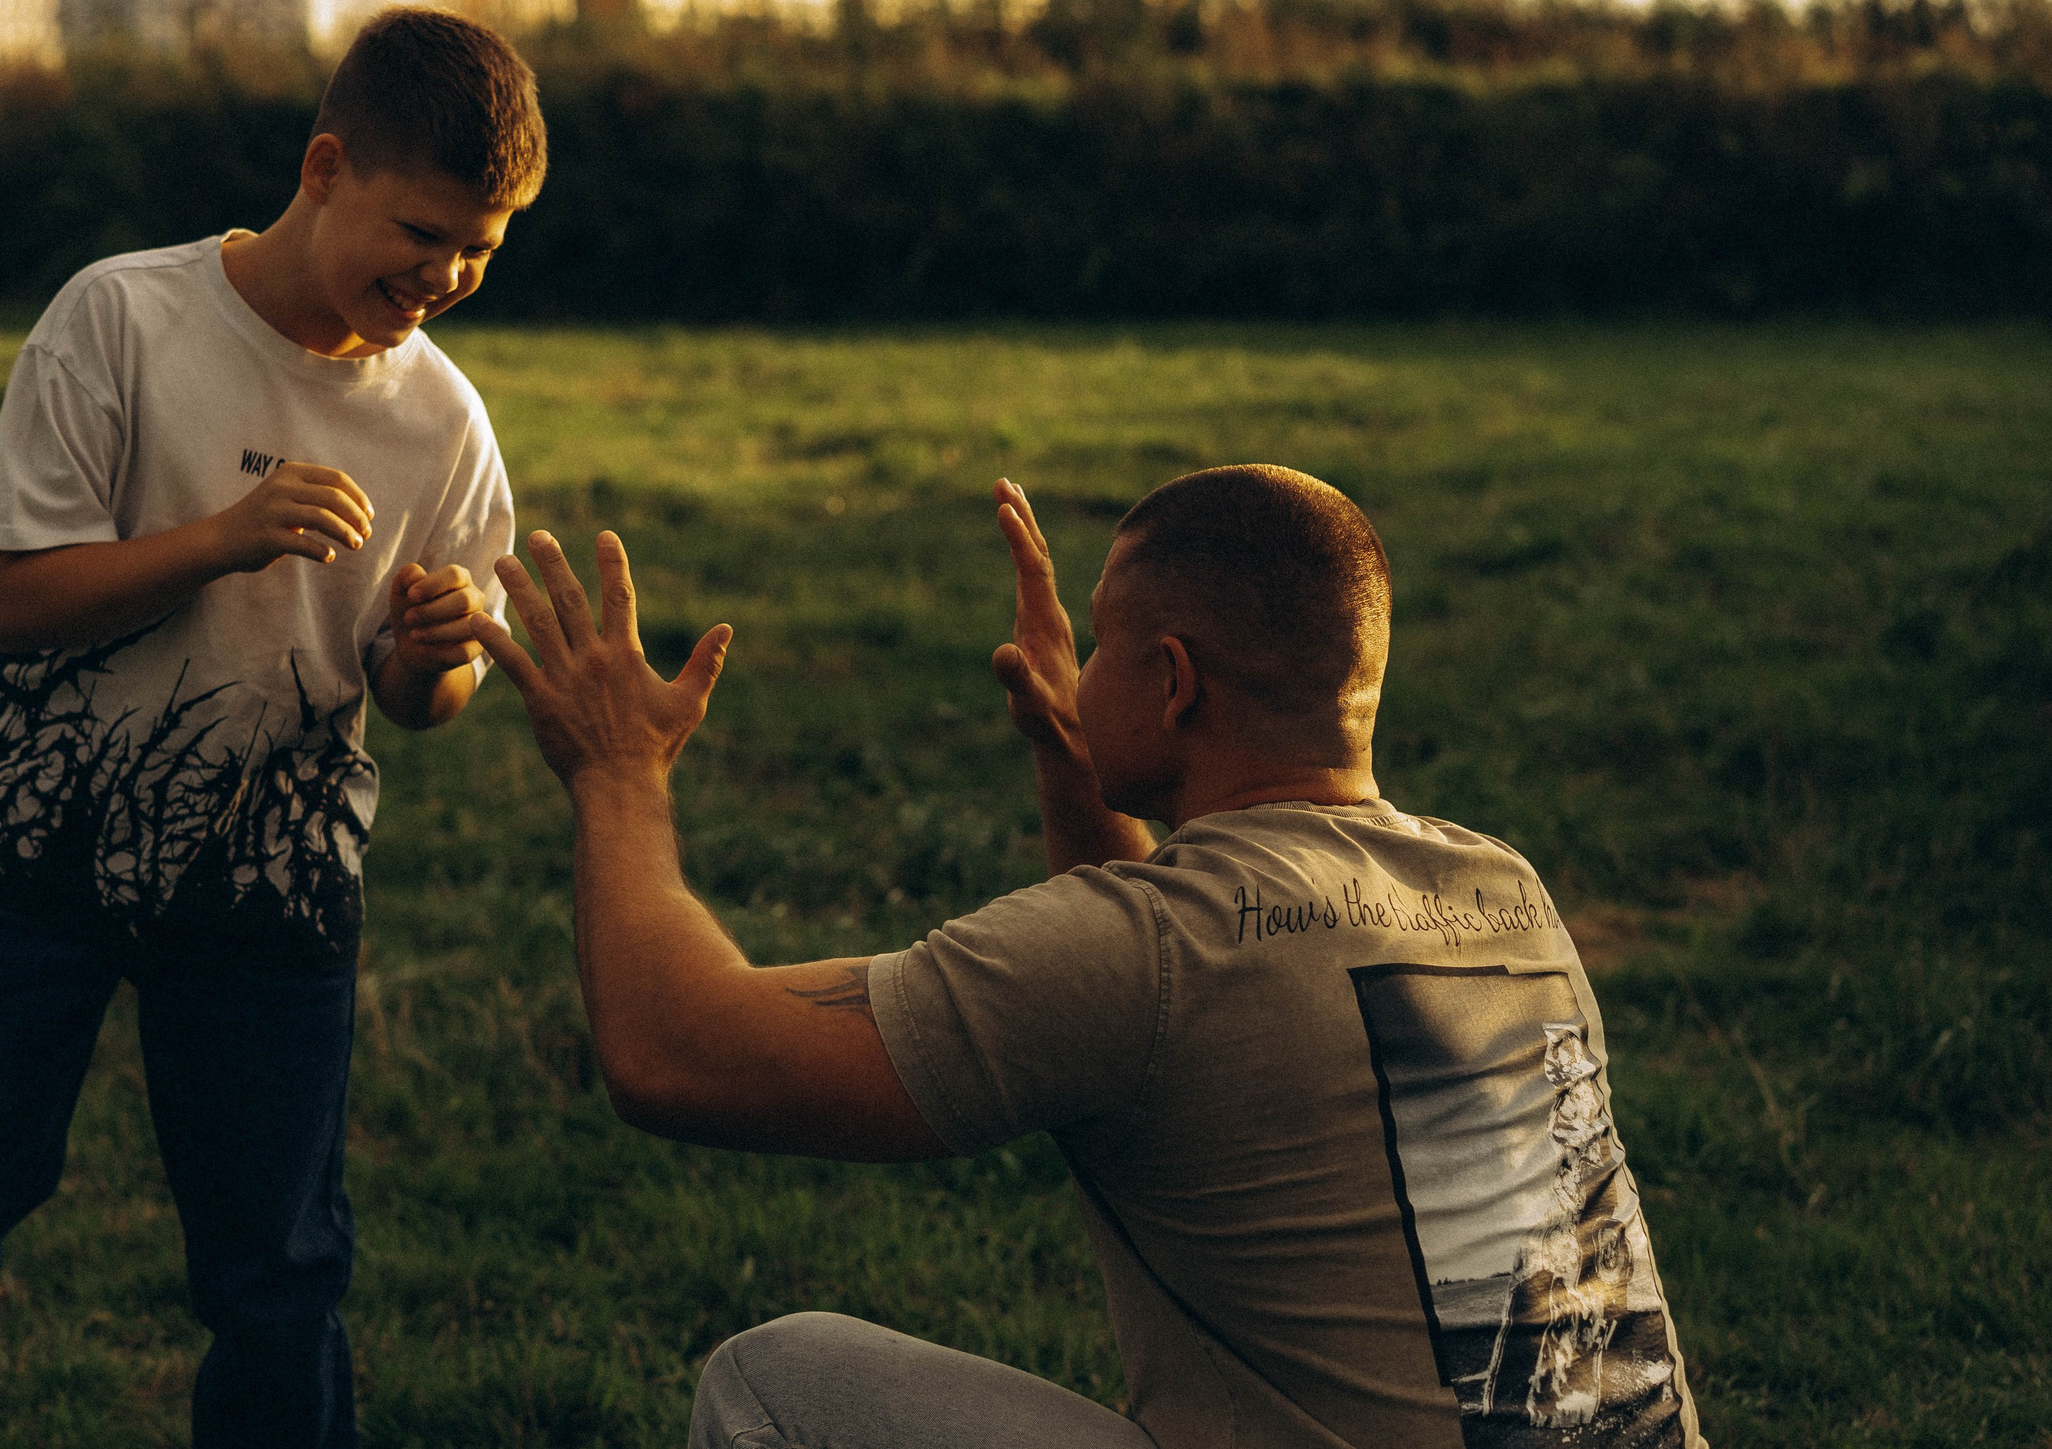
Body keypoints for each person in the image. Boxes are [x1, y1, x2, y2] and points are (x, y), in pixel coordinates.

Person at [471, 465, 1707, 1449]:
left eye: (1107, 646)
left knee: (773, 1384)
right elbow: (1160, 1020)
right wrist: (1079, 762)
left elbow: (674, 1053)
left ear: (1172, 684)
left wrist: (617, 769)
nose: (1086, 666)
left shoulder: (1154, 950)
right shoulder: (1503, 887)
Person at [0, 7, 544, 1449]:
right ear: (324, 166)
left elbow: (419, 698)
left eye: (482, 249)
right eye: (424, 231)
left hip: (270, 882)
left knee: (280, 1269)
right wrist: (222, 537)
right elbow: (12, 600)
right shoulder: (122, 318)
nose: (445, 278)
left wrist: (438, 659)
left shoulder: (444, 422)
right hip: (35, 844)